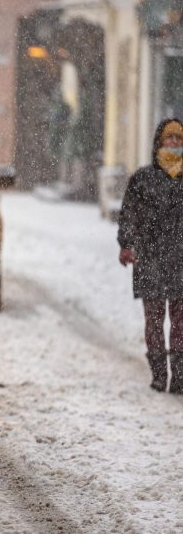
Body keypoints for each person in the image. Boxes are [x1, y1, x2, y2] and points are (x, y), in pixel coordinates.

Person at [118, 118, 183, 392]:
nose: (175, 143)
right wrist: (126, 244)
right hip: (151, 257)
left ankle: (179, 376)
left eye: (179, 138)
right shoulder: (142, 179)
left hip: (180, 259)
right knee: (154, 320)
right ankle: (158, 374)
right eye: (170, 138)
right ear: (159, 141)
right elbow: (129, 214)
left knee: (180, 322)